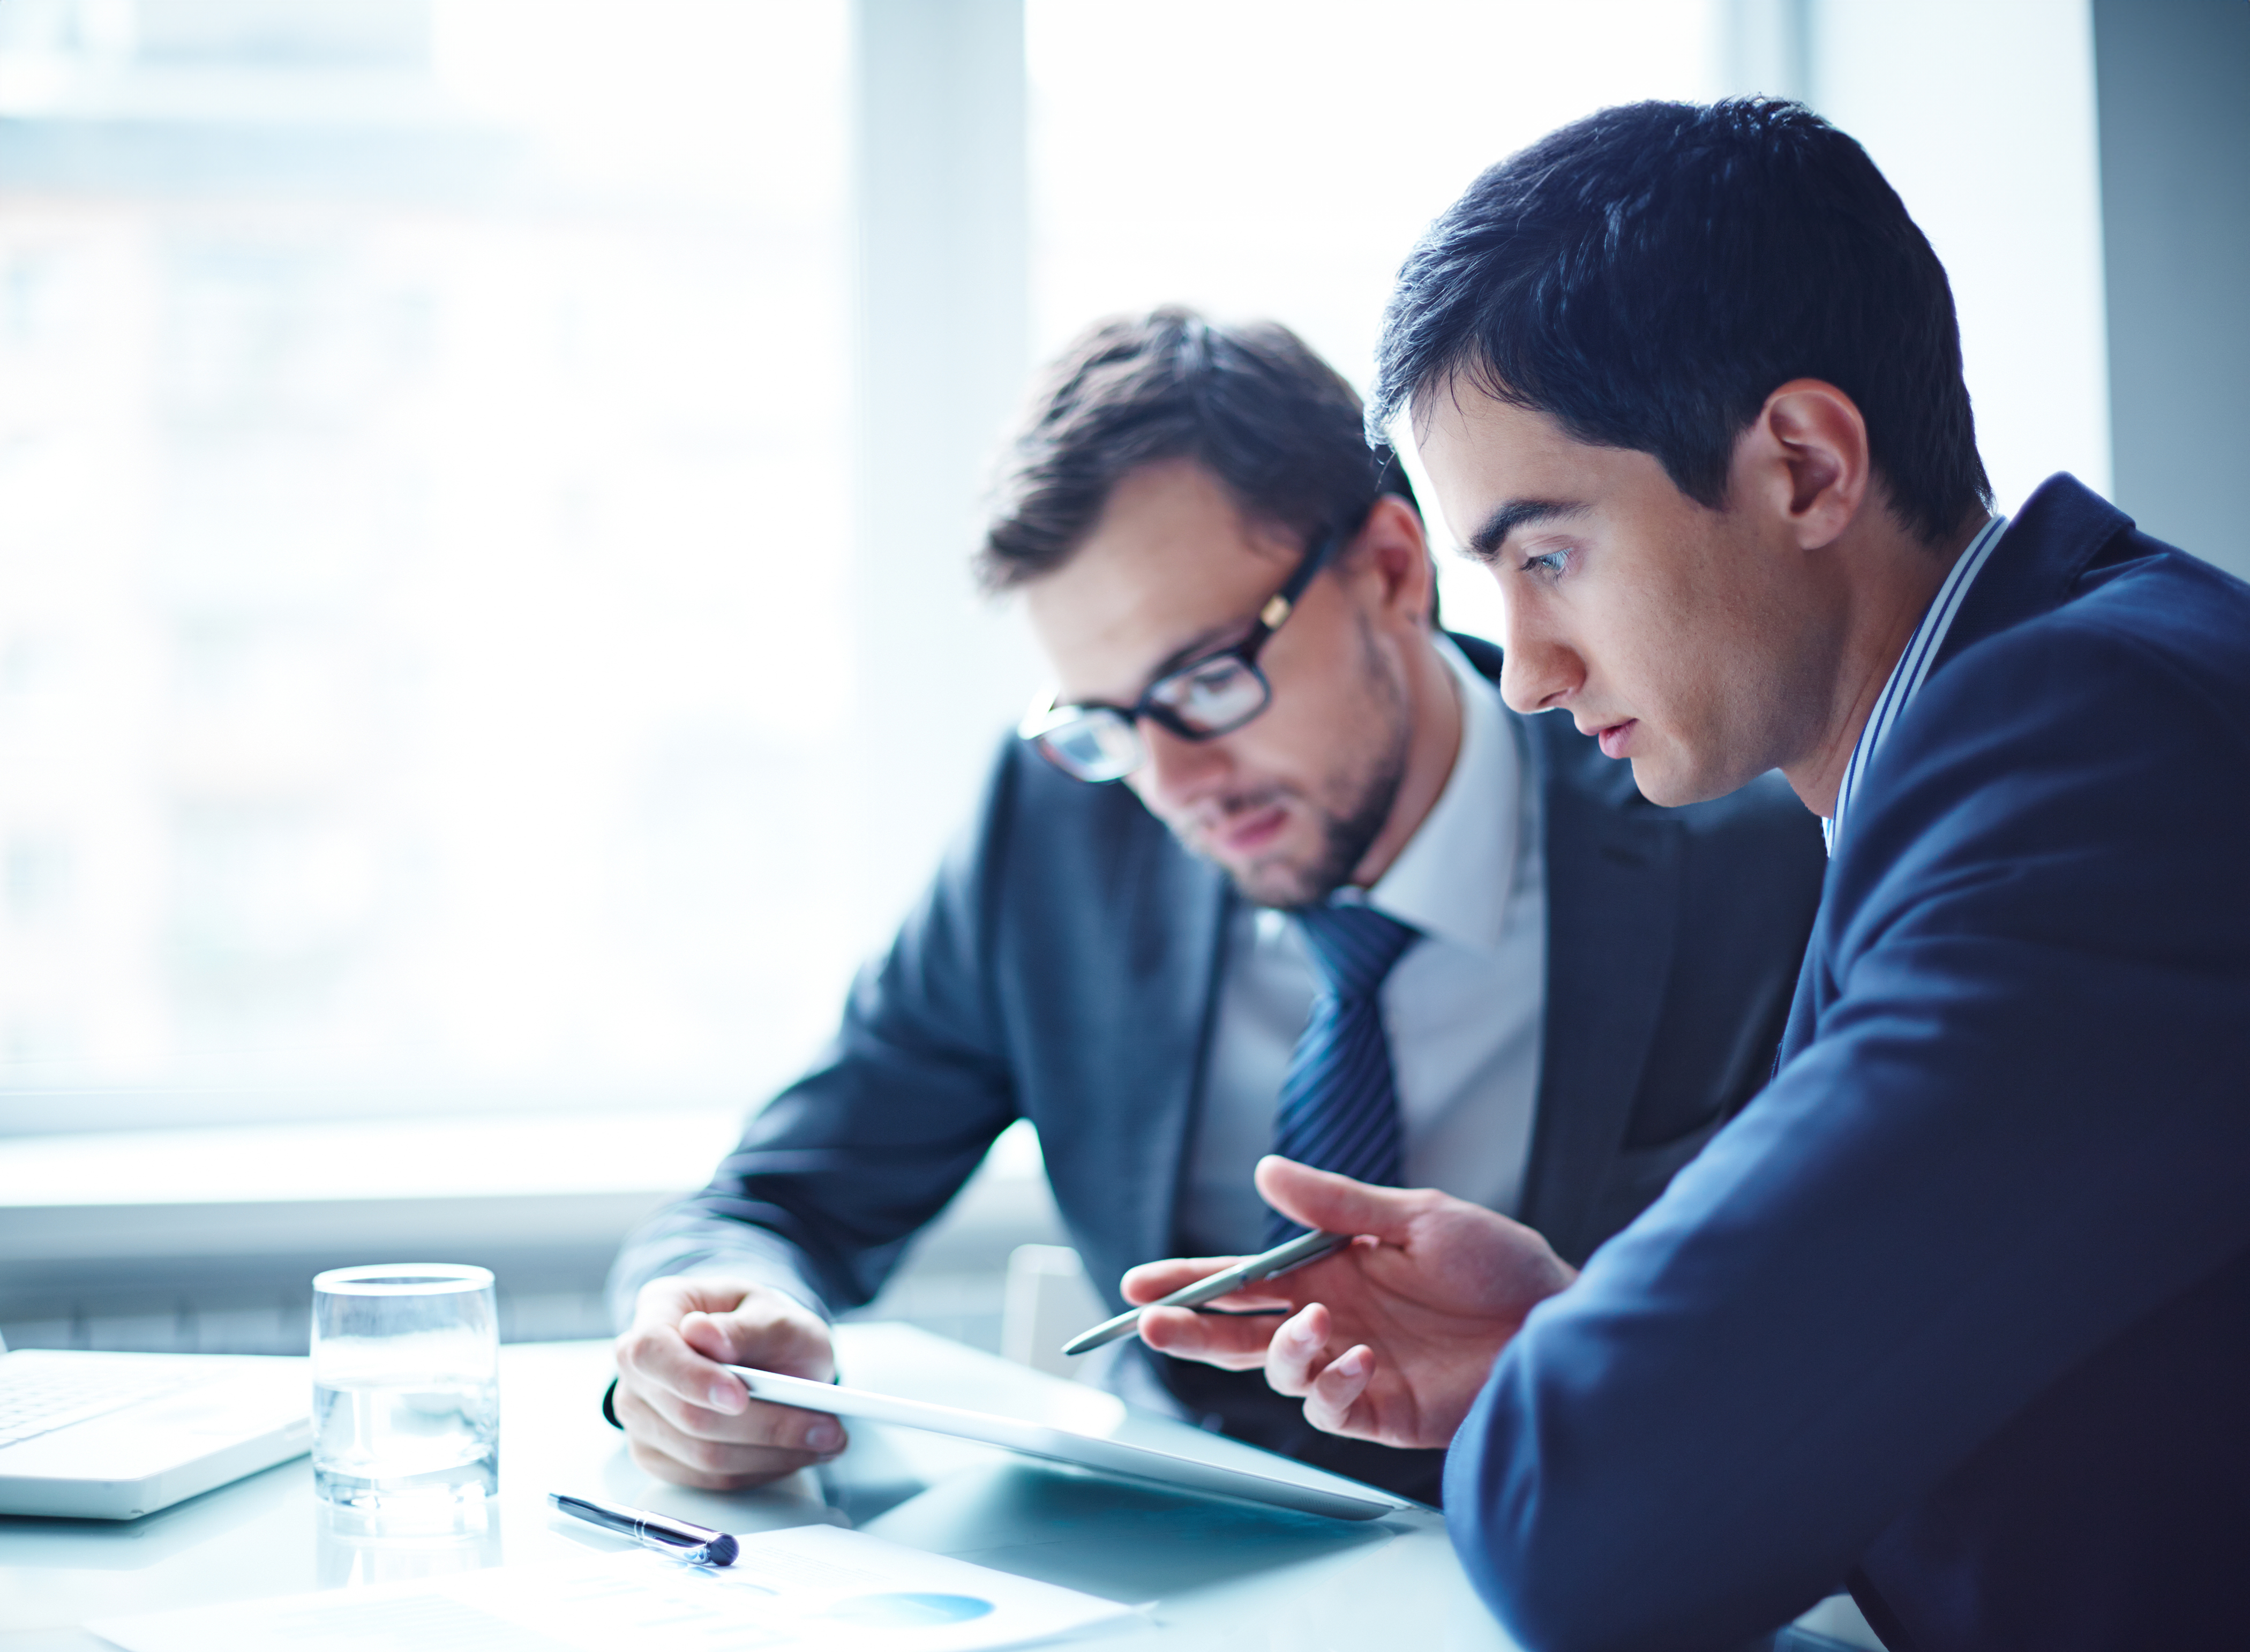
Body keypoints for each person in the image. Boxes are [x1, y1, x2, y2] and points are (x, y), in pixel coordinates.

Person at [1132, 102, 2250, 1650]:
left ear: (1803, 465)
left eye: (1547, 556)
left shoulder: (2082, 754)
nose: (1522, 674)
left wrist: (1583, 1386)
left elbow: (1583, 1529)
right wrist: (1562, 1330)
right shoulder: (2017, 723)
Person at [602, 309, 1826, 1504]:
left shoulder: (1734, 854)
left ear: (1392, 569)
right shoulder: (1056, 831)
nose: (1173, 785)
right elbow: (779, 1197)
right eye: (1110, 723)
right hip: (1162, 1585)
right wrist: (707, 1323)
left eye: (1205, 681)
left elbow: (1830, 1362)